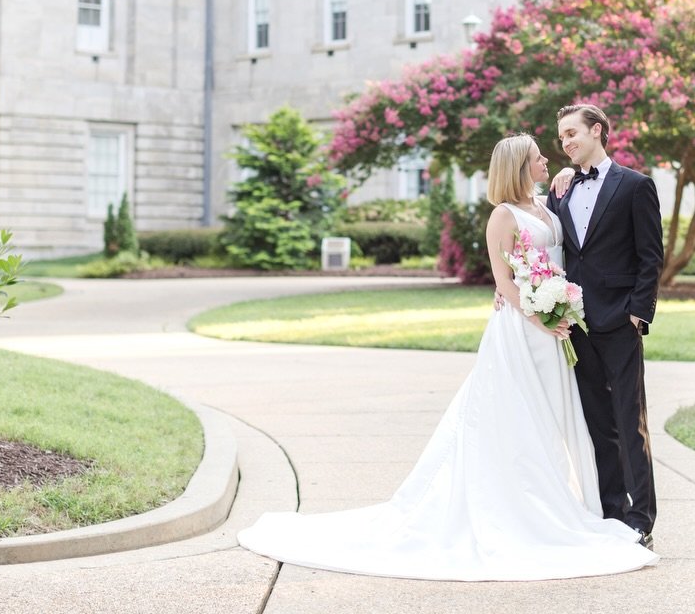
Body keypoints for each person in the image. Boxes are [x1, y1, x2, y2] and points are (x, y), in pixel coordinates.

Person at [237, 134, 657, 581]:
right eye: (538, 157)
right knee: (516, 419)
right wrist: (540, 317)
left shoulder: (548, 202)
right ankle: (521, 508)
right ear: (519, 165)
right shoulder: (502, 216)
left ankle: (568, 501)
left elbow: (565, 249)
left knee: (557, 418)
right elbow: (505, 283)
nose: (547, 160)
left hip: (555, 329)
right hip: (525, 331)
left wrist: (557, 307)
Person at [545, 104, 662, 549]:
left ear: (597, 131)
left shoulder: (635, 186)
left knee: (630, 421)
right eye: (561, 138)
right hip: (575, 323)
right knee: (598, 423)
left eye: (572, 133)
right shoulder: (561, 190)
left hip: (619, 320)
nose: (566, 142)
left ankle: (641, 518)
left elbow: (650, 256)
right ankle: (612, 512)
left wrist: (639, 312)